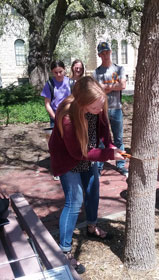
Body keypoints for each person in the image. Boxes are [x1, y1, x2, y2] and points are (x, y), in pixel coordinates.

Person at [48, 76, 124, 273]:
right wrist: (108, 154)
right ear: (82, 103)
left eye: (101, 107)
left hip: (87, 153)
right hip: (68, 157)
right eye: (95, 108)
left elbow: (104, 128)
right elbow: (78, 153)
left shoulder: (98, 104)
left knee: (92, 191)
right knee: (74, 201)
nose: (99, 111)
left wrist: (110, 145)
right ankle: (64, 251)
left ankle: (92, 227)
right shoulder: (66, 115)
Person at [92, 41, 128, 177]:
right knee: (102, 139)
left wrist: (105, 88)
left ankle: (121, 165)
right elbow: (96, 90)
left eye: (107, 52)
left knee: (118, 138)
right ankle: (100, 166)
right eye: (102, 53)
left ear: (110, 52)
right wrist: (114, 85)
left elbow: (123, 85)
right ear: (99, 55)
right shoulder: (96, 72)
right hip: (101, 110)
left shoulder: (119, 69)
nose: (105, 55)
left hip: (116, 108)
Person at [41, 60, 72, 128]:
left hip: (70, 117)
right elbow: (47, 104)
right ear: (52, 72)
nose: (58, 75)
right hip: (55, 118)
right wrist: (56, 118)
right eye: (56, 72)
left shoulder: (71, 83)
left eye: (60, 72)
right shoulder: (49, 84)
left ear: (64, 69)